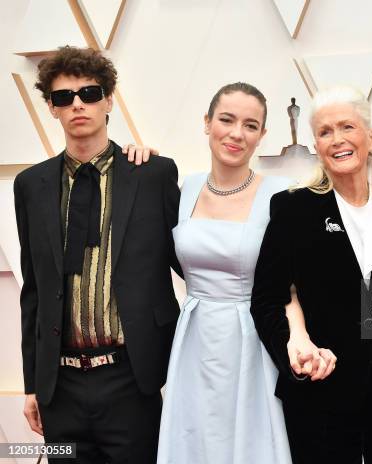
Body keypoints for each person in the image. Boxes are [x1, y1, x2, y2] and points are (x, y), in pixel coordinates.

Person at [251, 86, 372, 463]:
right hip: (321, 392)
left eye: (347, 127)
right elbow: (266, 299)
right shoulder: (294, 208)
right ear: (316, 144)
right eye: (325, 132)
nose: (337, 140)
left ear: (370, 136)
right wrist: (294, 351)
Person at [13, 46, 181, 463]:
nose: (77, 105)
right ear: (52, 109)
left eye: (89, 93)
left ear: (108, 99)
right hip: (60, 386)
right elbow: (33, 289)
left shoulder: (153, 175)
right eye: (63, 98)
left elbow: (192, 262)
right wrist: (33, 383)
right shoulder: (31, 185)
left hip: (130, 377)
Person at [124, 82, 305, 463]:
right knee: (195, 437)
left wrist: (298, 337)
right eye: (226, 119)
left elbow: (291, 284)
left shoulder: (282, 193)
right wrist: (138, 159)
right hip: (194, 338)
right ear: (207, 123)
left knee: (250, 439)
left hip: (253, 337)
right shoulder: (184, 187)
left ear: (262, 136)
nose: (237, 133)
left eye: (250, 125)